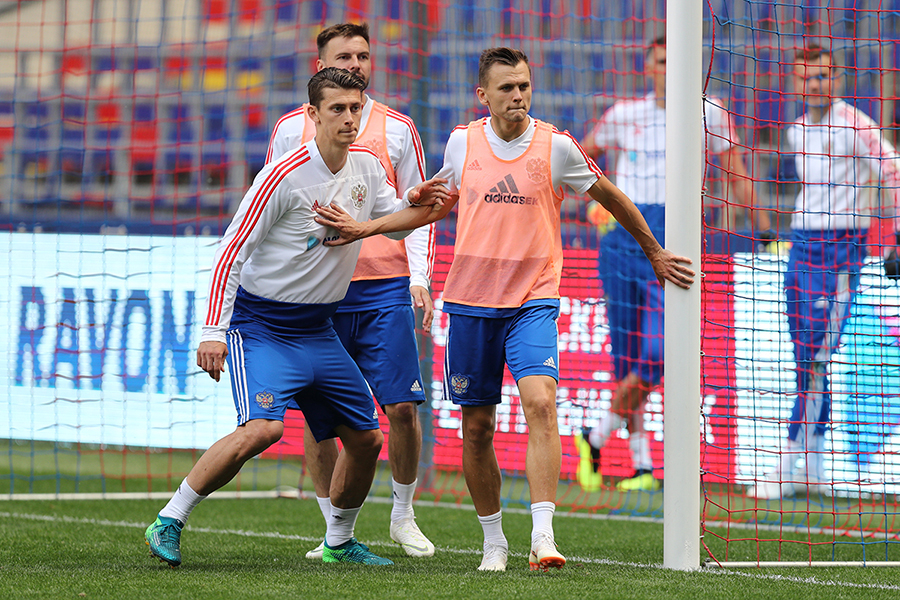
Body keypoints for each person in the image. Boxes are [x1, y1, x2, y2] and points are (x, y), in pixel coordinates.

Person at [314, 47, 695, 572]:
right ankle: (494, 541)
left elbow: (609, 195)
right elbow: (433, 206)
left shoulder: (556, 146)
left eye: (524, 86)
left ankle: (543, 536)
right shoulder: (462, 141)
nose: (518, 96)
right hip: (471, 303)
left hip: (533, 298)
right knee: (478, 430)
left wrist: (654, 251)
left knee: (540, 402)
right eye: (507, 88)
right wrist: (370, 227)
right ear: (483, 95)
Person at [143, 67, 449, 567]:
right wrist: (212, 330)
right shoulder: (283, 175)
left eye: (356, 108)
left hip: (319, 330)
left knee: (368, 438)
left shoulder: (369, 168)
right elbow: (231, 253)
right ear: (313, 115)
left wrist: (422, 203)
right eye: (337, 109)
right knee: (263, 430)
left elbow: (396, 224)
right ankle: (170, 518)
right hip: (262, 327)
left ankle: (339, 542)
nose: (349, 118)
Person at [265, 22, 436, 560]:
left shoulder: (399, 128)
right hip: (318, 294)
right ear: (319, 66)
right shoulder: (290, 130)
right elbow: (267, 209)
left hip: (383, 285)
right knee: (320, 422)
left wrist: (419, 276)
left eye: (364, 54)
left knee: (403, 409)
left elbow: (419, 208)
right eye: (346, 55)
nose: (358, 63)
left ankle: (403, 516)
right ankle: (332, 528)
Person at [576, 35, 773, 493]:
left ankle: (596, 434)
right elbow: (582, 158)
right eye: (660, 61)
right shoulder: (625, 114)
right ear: (648, 67)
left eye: (674, 59)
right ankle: (642, 465)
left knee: (659, 353)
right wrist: (591, 200)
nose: (667, 68)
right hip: (625, 240)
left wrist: (765, 230)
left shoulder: (710, 111)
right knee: (624, 355)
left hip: (680, 239)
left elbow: (736, 170)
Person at [747, 44, 900, 499]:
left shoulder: (857, 125)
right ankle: (810, 466)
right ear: (796, 83)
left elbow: (892, 172)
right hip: (801, 245)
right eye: (807, 77)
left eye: (824, 76)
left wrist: (895, 237)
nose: (815, 84)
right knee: (803, 350)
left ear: (837, 80)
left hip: (841, 249)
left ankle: (789, 457)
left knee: (818, 350)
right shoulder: (795, 131)